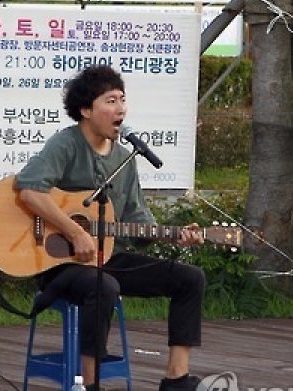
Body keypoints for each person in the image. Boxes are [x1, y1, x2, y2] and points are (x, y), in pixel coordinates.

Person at [14, 65, 206, 391]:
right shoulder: (66, 145)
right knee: (103, 286)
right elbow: (29, 189)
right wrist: (75, 232)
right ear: (86, 110)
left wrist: (174, 235)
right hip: (59, 263)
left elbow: (140, 220)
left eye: (122, 100)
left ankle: (177, 379)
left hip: (107, 257)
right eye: (110, 100)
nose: (120, 109)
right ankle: (91, 384)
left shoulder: (125, 159)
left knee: (190, 278)